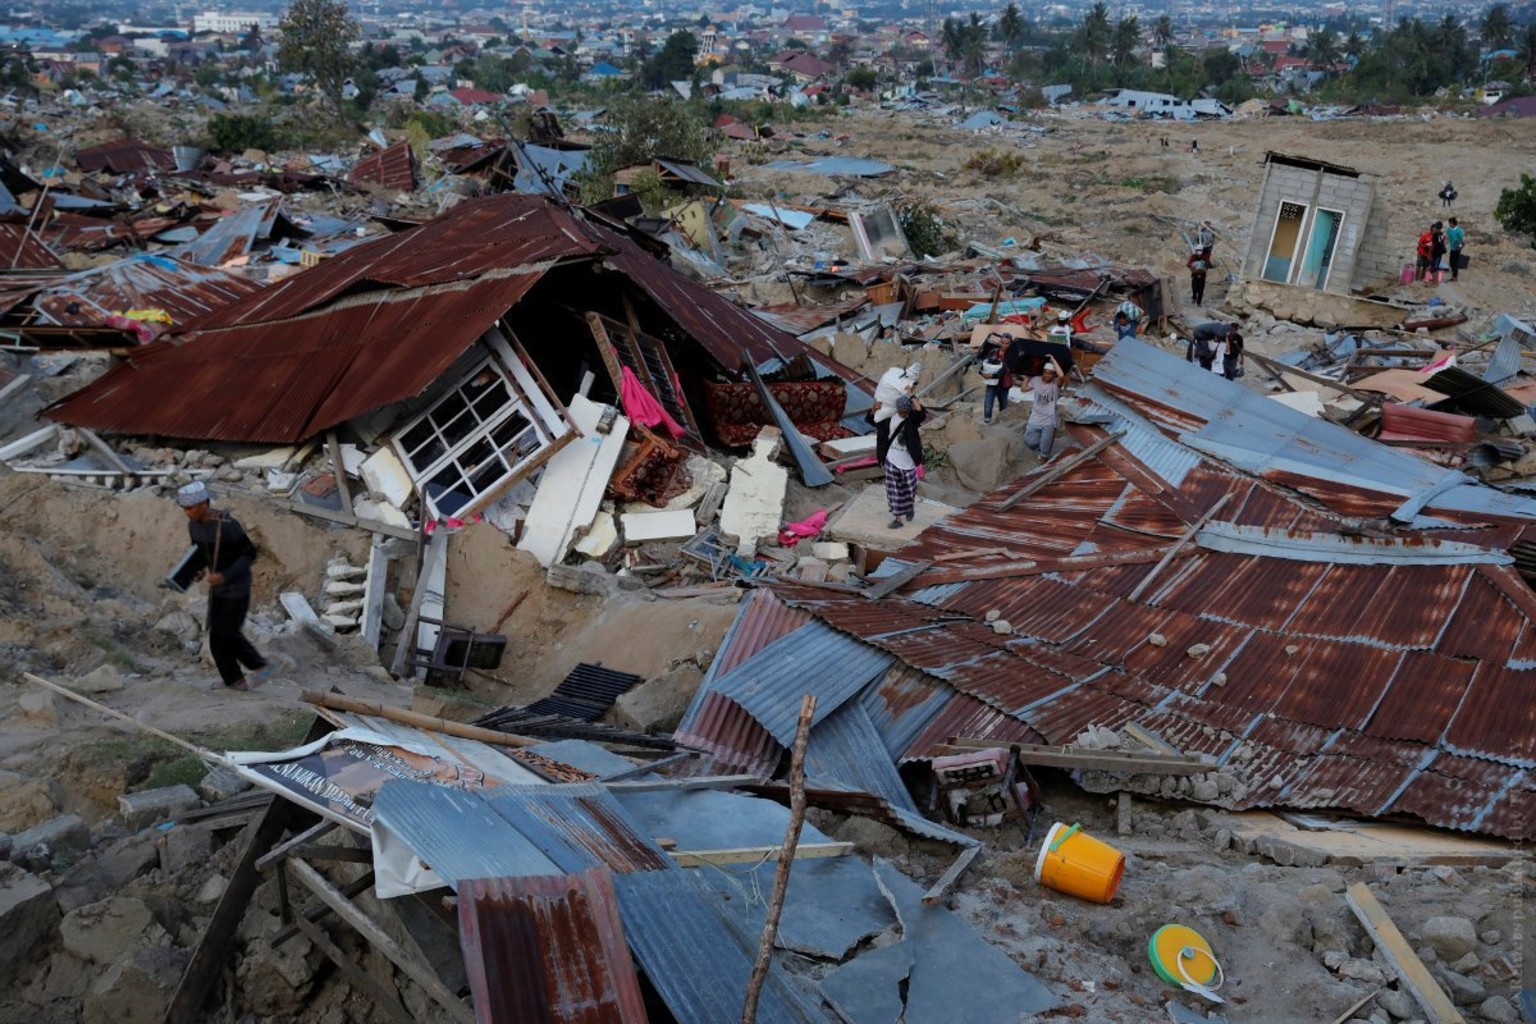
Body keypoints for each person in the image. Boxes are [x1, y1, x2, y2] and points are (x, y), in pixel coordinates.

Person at [176, 481, 271, 691]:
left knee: (227, 632)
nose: (187, 513)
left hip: (237, 587)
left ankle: (261, 667)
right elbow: (199, 552)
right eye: (185, 509)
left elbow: (249, 554)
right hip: (217, 589)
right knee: (216, 637)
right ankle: (234, 680)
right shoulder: (193, 526)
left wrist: (225, 575)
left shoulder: (228, 525)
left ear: (203, 504)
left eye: (190, 508)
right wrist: (198, 569)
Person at [883, 394, 925, 529]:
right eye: (901, 411)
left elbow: (920, 411)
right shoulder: (889, 419)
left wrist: (912, 396)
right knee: (894, 491)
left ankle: (909, 506)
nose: (903, 414)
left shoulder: (912, 420)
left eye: (906, 412)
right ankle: (897, 519)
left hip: (908, 462)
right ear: (897, 410)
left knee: (910, 488)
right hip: (892, 459)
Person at [1024, 361, 1061, 459]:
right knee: (1029, 442)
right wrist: (1027, 376)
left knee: (1045, 449)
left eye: (1050, 373)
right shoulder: (1036, 380)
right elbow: (1023, 389)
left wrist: (1053, 359)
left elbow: (1061, 376)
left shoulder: (1055, 384)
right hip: (1035, 416)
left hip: (1049, 419)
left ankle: (1044, 456)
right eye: (1045, 372)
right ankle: (1042, 442)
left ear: (1054, 375)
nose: (1047, 375)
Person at [979, 334, 1012, 424]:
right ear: (999, 342)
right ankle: (987, 421)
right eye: (1002, 342)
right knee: (988, 403)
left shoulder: (1011, 356)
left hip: (1004, 383)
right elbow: (985, 363)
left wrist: (991, 376)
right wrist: (982, 372)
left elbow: (1004, 369)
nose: (1004, 345)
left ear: (1010, 344)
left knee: (1003, 405)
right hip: (991, 382)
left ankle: (1002, 423)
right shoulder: (993, 352)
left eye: (1007, 343)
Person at [1446, 216, 1465, 281]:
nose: (1449, 225)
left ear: (1452, 223)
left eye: (1450, 223)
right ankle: (1454, 275)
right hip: (1452, 248)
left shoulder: (1459, 230)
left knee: (1455, 262)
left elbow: (1462, 240)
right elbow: (1447, 236)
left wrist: (1460, 247)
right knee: (1451, 262)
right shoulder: (1449, 230)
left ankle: (1454, 276)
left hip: (1457, 248)